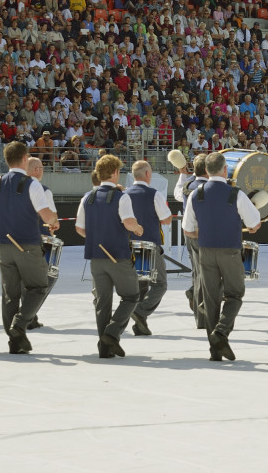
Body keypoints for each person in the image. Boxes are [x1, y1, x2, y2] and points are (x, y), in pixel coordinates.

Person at [181, 152, 261, 361]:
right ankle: (221, 332)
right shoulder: (236, 194)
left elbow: (188, 230)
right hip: (230, 251)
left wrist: (206, 231)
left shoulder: (195, 194)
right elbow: (255, 224)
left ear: (206, 171)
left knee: (210, 299)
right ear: (225, 170)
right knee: (234, 294)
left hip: (206, 251)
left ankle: (215, 349)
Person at [0, 142, 59, 354]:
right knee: (38, 287)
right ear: (25, 158)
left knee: (10, 294)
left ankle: (14, 341)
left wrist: (8, 223)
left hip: (3, 246)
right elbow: (46, 216)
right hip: (27, 244)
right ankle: (20, 325)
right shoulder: (31, 184)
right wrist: (54, 221)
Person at [75, 154, 142, 359]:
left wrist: (97, 237)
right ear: (114, 173)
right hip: (118, 256)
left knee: (103, 302)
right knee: (131, 296)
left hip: (96, 257)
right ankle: (111, 334)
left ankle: (104, 348)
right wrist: (139, 229)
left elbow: (79, 228)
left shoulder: (88, 197)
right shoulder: (122, 197)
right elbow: (129, 224)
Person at [127, 159, 173, 335]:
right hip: (150, 245)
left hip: (130, 245)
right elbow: (167, 219)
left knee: (140, 285)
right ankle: (140, 312)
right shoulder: (154, 194)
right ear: (147, 174)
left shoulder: (124, 194)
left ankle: (140, 323)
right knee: (160, 284)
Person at [174, 153, 208, 326]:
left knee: (197, 271)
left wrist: (182, 173)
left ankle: (198, 312)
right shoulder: (208, 187)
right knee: (209, 272)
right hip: (205, 233)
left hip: (189, 233)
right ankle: (202, 308)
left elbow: (178, 195)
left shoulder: (187, 184)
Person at [25, 156, 57, 329]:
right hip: (41, 240)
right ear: (36, 170)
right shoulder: (43, 190)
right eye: (42, 168)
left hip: (18, 240)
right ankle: (29, 313)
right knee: (47, 278)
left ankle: (27, 314)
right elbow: (51, 218)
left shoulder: (18, 188)